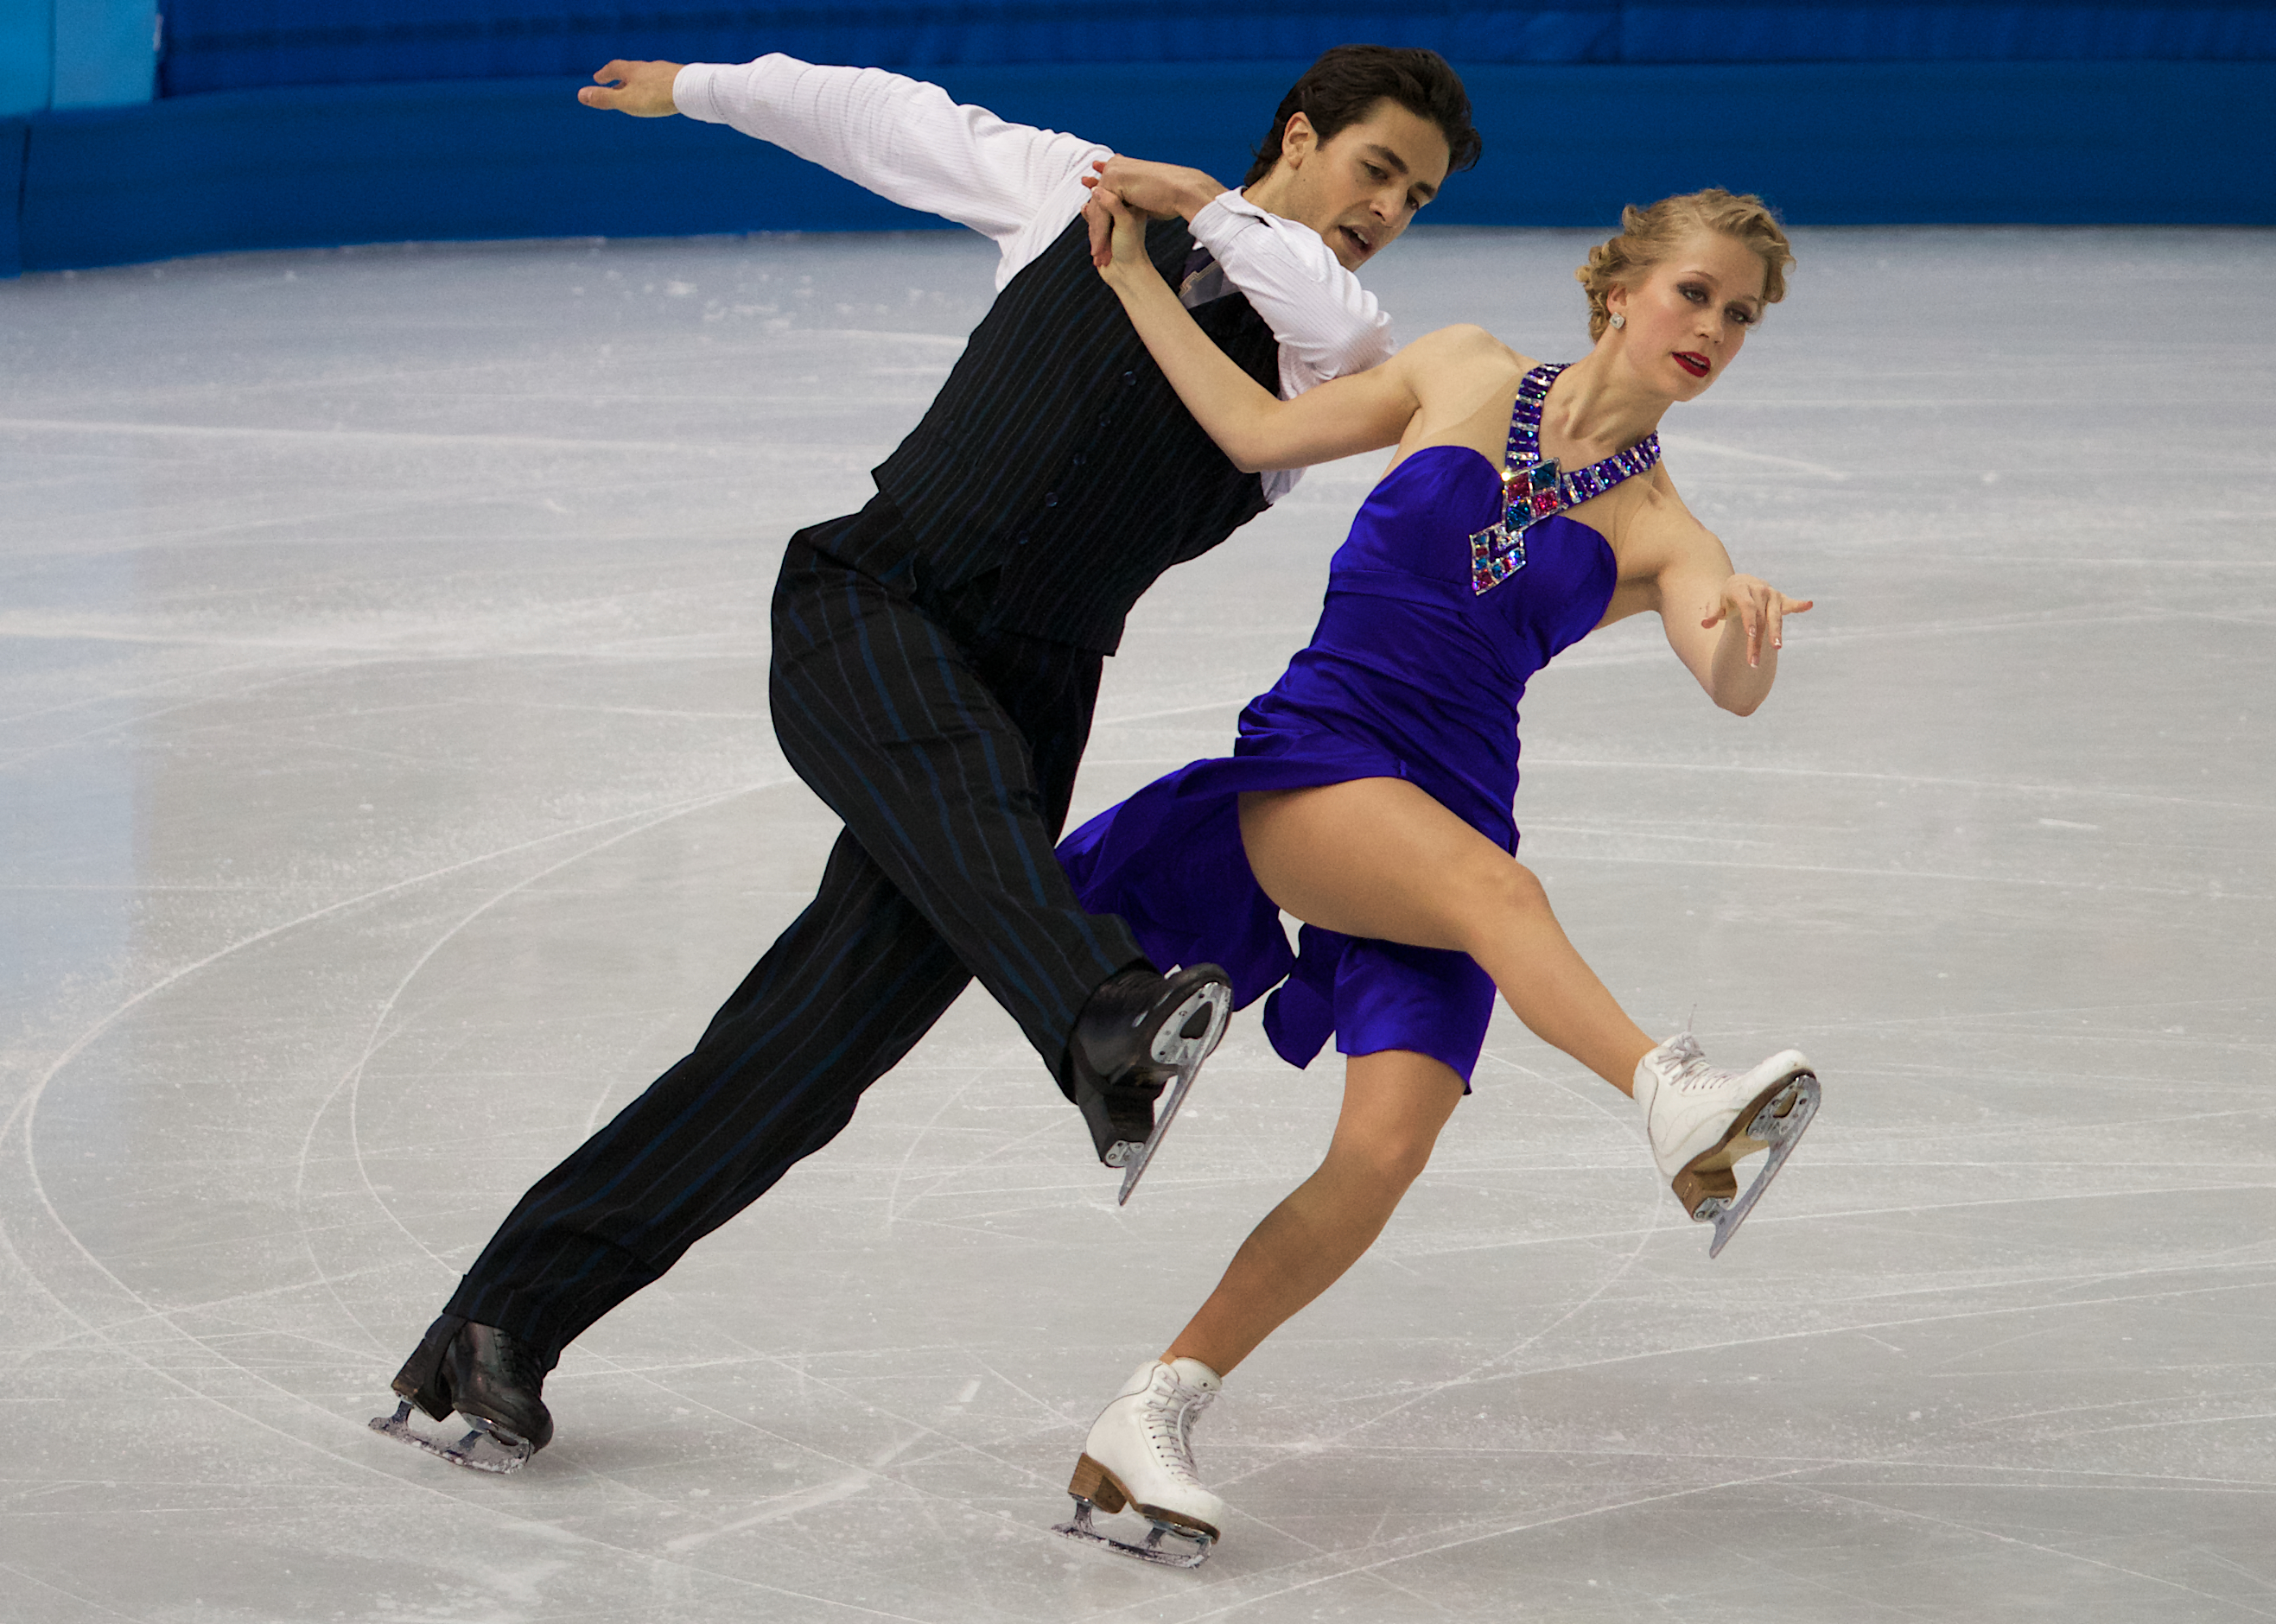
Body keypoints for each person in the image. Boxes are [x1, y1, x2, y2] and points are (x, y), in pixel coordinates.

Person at [371, 45, 1484, 1474]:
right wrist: (704, 88)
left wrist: (1204, 201)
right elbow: (893, 120)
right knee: (959, 797)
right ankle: (1100, 1014)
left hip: (1035, 690)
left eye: (1417, 196)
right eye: (1374, 168)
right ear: (1301, 134)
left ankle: (498, 1326)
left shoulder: (1334, 343)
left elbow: (1317, 300)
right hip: (873, 603)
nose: (1386, 207)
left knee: (814, 1044)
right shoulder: (1070, 190)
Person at [1047, 185, 1824, 1566]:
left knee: (1381, 1153)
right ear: (1619, 292)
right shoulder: (1461, 367)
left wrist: (1751, 635)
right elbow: (1252, 431)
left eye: (1740, 317)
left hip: (1454, 817)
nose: (1712, 327)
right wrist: (1132, 282)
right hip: (1319, 761)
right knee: (1506, 905)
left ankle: (1148, 1410)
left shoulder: (1667, 531)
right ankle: (1672, 1099)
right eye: (1694, 293)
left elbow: (1732, 683)